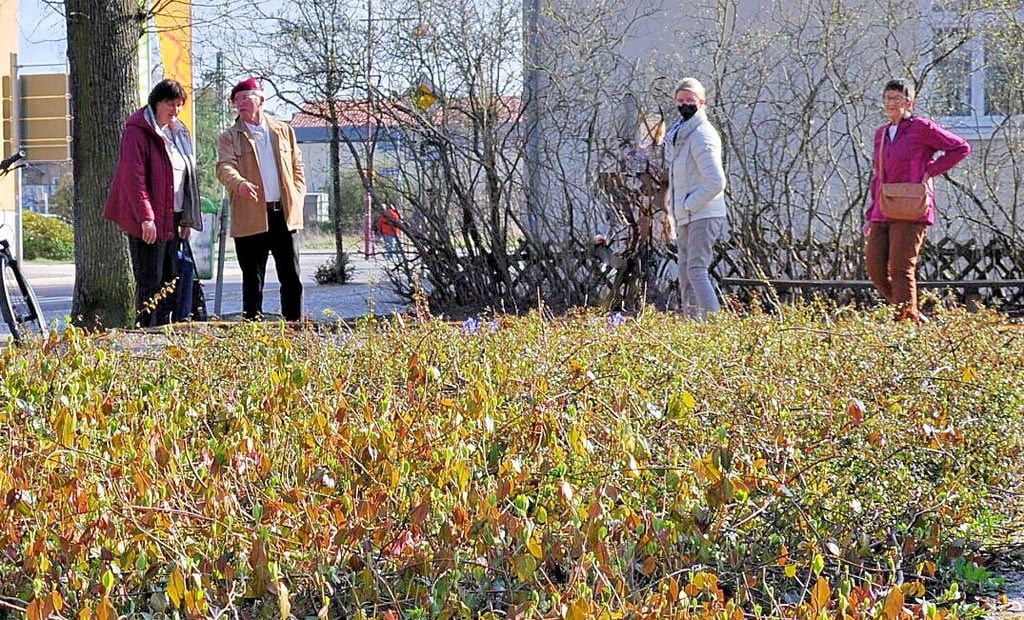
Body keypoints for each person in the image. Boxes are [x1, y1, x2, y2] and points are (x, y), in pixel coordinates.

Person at [866, 78, 970, 322]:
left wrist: (931, 170)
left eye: (897, 99)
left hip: (912, 209)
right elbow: (878, 176)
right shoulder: (881, 133)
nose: (892, 103)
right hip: (883, 208)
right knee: (875, 268)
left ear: (909, 102)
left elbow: (960, 147)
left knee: (901, 269)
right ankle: (911, 314)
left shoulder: (921, 128)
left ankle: (906, 326)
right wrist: (870, 214)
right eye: (888, 98)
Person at [104, 78, 203, 327]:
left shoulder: (178, 132)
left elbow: (186, 176)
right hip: (148, 218)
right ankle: (147, 329)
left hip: (174, 215)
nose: (175, 110)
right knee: (151, 278)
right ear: (156, 102)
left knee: (171, 277)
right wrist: (146, 217)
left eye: (179, 104)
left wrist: (187, 216)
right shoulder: (137, 131)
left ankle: (167, 328)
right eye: (170, 103)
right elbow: (133, 178)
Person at [217, 77, 306, 321]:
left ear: (261, 100)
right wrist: (239, 184)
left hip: (284, 215)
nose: (241, 104)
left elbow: (297, 166)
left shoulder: (283, 130)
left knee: (291, 277)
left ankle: (295, 329)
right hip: (250, 216)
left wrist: (298, 194)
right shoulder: (230, 137)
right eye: (237, 101)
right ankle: (253, 336)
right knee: (253, 281)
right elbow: (224, 167)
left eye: (245, 98)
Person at [665, 77, 728, 319]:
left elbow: (716, 181)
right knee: (685, 272)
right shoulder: (681, 136)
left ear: (702, 102)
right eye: (680, 101)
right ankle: (691, 326)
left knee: (696, 270)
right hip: (686, 215)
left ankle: (714, 327)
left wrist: (688, 204)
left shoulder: (702, 135)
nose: (684, 105)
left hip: (703, 213)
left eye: (690, 100)